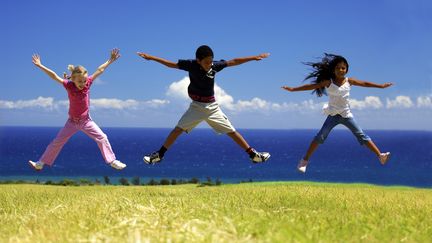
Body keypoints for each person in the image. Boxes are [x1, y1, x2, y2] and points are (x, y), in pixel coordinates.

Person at [137, 45, 271, 164]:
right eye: (206, 62)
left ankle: (254, 155)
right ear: (198, 61)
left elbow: (233, 61)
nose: (209, 64)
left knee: (232, 131)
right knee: (177, 130)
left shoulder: (214, 66)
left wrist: (254, 57)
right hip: (196, 107)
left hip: (212, 107)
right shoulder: (190, 65)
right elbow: (171, 64)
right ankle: (159, 155)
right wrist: (152, 58)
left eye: (211, 61)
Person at [282, 53, 392, 173]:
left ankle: (380, 156)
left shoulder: (350, 81)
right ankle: (304, 161)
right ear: (333, 70)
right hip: (333, 115)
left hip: (346, 115)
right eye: (338, 68)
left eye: (343, 68)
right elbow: (312, 86)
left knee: (361, 135)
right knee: (320, 137)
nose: (341, 70)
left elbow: (365, 83)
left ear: (347, 70)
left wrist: (381, 86)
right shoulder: (328, 82)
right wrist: (293, 89)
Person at [29, 49, 126, 171]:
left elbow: (100, 70)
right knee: (57, 142)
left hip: (86, 121)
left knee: (102, 138)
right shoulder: (68, 85)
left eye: (84, 80)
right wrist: (40, 65)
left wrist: (110, 60)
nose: (83, 83)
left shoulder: (88, 83)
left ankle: (112, 161)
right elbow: (54, 76)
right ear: (73, 79)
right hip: (72, 122)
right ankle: (40, 163)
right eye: (80, 81)